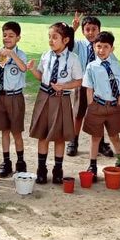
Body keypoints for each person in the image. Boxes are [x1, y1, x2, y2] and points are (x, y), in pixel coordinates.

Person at [28, 21, 83, 185]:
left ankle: (58, 169)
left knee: (59, 137)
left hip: (61, 99)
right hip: (44, 97)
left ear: (65, 40)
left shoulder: (73, 59)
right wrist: (32, 70)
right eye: (49, 37)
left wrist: (64, 86)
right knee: (42, 134)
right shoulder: (45, 55)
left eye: (55, 37)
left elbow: (79, 81)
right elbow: (41, 76)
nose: (51, 41)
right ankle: (41, 169)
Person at [80, 31, 120, 182]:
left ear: (112, 49)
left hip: (114, 106)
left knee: (115, 136)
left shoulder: (116, 65)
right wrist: (91, 105)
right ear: (94, 47)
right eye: (98, 46)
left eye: (105, 47)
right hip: (98, 105)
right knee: (95, 137)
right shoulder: (91, 67)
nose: (102, 50)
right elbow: (88, 88)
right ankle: (92, 165)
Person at [68, 13, 115, 158]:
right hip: (81, 85)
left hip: (98, 88)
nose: (90, 33)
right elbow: (67, 44)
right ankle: (73, 141)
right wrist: (72, 29)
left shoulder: (102, 47)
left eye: (94, 29)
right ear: (83, 31)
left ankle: (100, 143)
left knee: (98, 116)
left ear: (99, 31)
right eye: (87, 29)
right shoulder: (80, 45)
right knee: (78, 114)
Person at [0, 21, 32, 178]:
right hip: (0, 96)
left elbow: (23, 68)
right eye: (4, 35)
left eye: (11, 36)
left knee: (16, 132)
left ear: (18, 38)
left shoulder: (20, 54)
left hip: (15, 97)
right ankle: (6, 161)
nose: (7, 38)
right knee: (4, 131)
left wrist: (12, 54)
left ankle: (20, 162)